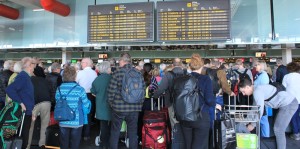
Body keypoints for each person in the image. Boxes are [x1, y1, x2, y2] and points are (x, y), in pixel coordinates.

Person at [239, 78, 298, 149]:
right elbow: (254, 108)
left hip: (289, 104)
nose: (243, 94)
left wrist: (253, 125)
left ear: (248, 87)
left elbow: (259, 110)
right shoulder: (257, 89)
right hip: (285, 104)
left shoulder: (257, 91)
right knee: (276, 128)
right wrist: (245, 121)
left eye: (243, 91)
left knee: (278, 129)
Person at [108, 52, 145, 149]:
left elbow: (111, 91)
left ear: (122, 61)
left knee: (115, 131)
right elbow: (142, 91)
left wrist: (112, 104)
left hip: (119, 108)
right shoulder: (138, 73)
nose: (118, 63)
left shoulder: (117, 72)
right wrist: (139, 105)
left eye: (119, 61)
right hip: (134, 108)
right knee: (133, 133)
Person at [181, 53, 215, 149]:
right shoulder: (205, 79)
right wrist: (214, 103)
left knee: (188, 145)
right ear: (202, 66)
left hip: (185, 116)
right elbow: (209, 99)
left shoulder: (182, 79)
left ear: (190, 66)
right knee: (200, 145)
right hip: (201, 116)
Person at [56, 66, 91, 149]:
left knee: (63, 143)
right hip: (76, 120)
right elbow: (86, 105)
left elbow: (58, 102)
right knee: (74, 144)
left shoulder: (59, 89)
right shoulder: (80, 89)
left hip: (63, 119)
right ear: (75, 76)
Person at [6, 57, 36, 149]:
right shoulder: (23, 76)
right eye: (33, 64)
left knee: (23, 136)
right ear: (29, 66)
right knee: (23, 137)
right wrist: (20, 103)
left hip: (27, 111)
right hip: (24, 112)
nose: (34, 67)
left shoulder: (25, 76)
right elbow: (10, 89)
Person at [27, 66, 51, 149]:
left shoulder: (29, 80)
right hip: (46, 102)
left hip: (34, 104)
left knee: (30, 126)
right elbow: (50, 91)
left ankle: (27, 145)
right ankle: (42, 144)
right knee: (45, 125)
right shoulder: (45, 80)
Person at [91, 62, 112, 149]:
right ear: (107, 69)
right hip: (112, 106)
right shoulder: (113, 78)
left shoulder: (97, 80)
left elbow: (93, 92)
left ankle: (103, 144)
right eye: (110, 67)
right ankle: (111, 143)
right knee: (113, 125)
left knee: (103, 126)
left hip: (101, 106)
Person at [76, 58, 97, 141]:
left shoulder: (80, 73)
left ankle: (79, 133)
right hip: (91, 95)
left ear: (86, 63)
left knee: (80, 113)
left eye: (82, 62)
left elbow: (76, 83)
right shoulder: (94, 73)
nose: (81, 64)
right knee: (88, 114)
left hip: (82, 95)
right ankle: (87, 134)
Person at [282, 62, 300, 140]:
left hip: (291, 100)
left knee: (293, 116)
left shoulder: (286, 77)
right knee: (298, 116)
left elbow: (283, 87)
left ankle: (296, 133)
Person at [253, 60, 270, 138]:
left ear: (261, 66)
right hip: (259, 99)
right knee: (262, 119)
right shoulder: (259, 75)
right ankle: (263, 136)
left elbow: (263, 89)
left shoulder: (263, 76)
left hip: (262, 100)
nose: (255, 66)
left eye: (257, 65)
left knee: (263, 119)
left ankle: (266, 137)